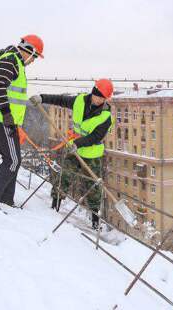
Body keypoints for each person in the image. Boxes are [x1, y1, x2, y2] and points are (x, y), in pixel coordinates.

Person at [29, 79, 114, 229]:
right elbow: (60, 100)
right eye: (98, 96)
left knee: (93, 186)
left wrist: (78, 144)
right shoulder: (79, 101)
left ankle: (95, 221)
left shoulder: (106, 117)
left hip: (91, 154)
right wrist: (42, 98)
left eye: (103, 98)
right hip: (74, 150)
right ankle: (54, 207)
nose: (99, 100)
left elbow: (96, 137)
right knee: (64, 176)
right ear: (93, 92)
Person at [0, 35, 44, 210]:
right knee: (12, 160)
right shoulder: (10, 60)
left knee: (14, 159)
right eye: (35, 57)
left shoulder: (14, 61)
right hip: (0, 119)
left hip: (5, 120)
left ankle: (6, 200)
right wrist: (7, 114)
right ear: (30, 51)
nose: (33, 61)